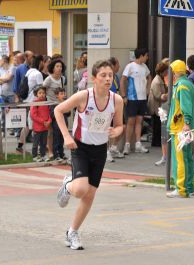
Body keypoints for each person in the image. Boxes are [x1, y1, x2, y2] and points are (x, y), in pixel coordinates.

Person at [55, 60, 124, 250]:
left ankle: (72, 232)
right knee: (79, 190)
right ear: (94, 79)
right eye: (103, 75)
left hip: (100, 149)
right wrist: (67, 136)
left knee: (89, 194)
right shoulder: (84, 96)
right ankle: (68, 186)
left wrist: (117, 132)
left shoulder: (116, 100)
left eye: (110, 75)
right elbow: (58, 110)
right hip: (80, 147)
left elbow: (119, 124)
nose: (108, 78)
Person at [166, 60, 194, 198]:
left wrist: (187, 123)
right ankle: (188, 187)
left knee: (181, 160)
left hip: (180, 129)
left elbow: (185, 107)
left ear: (175, 73)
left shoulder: (182, 86)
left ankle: (182, 188)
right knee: (187, 158)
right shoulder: (187, 83)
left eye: (172, 72)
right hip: (184, 128)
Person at [121, 48, 152, 154]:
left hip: (142, 98)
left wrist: (148, 90)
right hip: (132, 98)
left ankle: (138, 144)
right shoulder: (130, 66)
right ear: (141, 55)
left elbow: (149, 77)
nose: (147, 58)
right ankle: (127, 145)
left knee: (139, 121)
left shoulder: (145, 67)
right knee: (130, 122)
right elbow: (123, 80)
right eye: (146, 55)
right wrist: (124, 95)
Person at [16, 55, 44, 154]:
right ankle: (38, 148)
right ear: (40, 63)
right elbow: (41, 89)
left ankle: (20, 146)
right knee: (34, 125)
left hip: (26, 101)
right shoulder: (38, 74)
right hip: (34, 102)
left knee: (27, 125)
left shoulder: (29, 72)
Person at [43, 59, 66, 159]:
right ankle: (53, 152)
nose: (59, 68)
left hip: (60, 105)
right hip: (51, 106)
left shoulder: (63, 79)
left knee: (61, 129)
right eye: (57, 66)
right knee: (54, 130)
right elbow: (42, 90)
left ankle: (61, 152)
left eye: (60, 66)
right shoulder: (48, 79)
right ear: (53, 68)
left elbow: (62, 91)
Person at [148, 60, 169, 165]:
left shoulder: (161, 79)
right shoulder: (157, 81)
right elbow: (158, 96)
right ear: (162, 72)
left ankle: (156, 142)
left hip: (159, 107)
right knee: (157, 125)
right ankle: (156, 143)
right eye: (166, 71)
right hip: (157, 106)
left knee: (158, 125)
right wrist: (169, 94)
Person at [107, 56, 125, 161]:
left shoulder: (116, 77)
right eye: (117, 64)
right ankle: (106, 152)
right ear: (113, 66)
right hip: (108, 106)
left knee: (122, 127)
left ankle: (113, 147)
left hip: (116, 106)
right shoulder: (107, 78)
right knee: (107, 129)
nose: (119, 66)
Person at [30, 86, 51, 162]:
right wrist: (43, 121)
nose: (42, 94)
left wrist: (49, 121)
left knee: (44, 143)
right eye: (40, 93)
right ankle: (34, 156)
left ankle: (43, 155)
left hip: (45, 127)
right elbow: (33, 115)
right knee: (35, 143)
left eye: (43, 93)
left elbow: (49, 113)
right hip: (37, 127)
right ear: (36, 94)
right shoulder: (35, 103)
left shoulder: (46, 102)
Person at [50, 87, 70, 161]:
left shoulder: (66, 103)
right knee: (56, 141)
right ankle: (56, 155)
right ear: (57, 95)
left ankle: (61, 154)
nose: (64, 95)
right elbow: (52, 115)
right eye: (61, 94)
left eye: (64, 93)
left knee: (62, 141)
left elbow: (68, 113)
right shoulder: (54, 104)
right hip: (56, 126)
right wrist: (60, 111)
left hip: (64, 125)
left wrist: (64, 110)